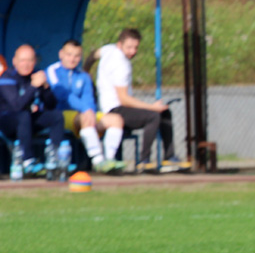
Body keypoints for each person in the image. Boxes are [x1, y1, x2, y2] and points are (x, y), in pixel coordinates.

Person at [95, 28, 188, 173]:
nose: (133, 51)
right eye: (129, 47)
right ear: (120, 45)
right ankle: (144, 161)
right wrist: (152, 107)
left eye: (136, 47)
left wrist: (86, 70)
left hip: (119, 107)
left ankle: (169, 157)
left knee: (164, 113)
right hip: (115, 111)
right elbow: (124, 100)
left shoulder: (109, 49)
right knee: (153, 116)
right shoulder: (121, 64)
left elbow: (93, 55)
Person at [46, 39, 124, 173]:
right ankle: (98, 161)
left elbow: (89, 98)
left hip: (84, 114)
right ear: (61, 54)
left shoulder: (83, 76)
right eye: (69, 55)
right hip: (60, 115)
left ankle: (110, 159)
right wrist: (86, 111)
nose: (72, 59)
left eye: (77, 56)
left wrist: (90, 111)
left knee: (116, 119)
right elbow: (62, 95)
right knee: (85, 118)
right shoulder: (52, 71)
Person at [0, 44, 65, 175]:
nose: (26, 64)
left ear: (35, 61)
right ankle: (28, 160)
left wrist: (45, 87)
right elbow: (16, 106)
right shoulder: (7, 77)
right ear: (15, 61)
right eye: (22, 60)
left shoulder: (36, 75)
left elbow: (51, 105)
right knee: (23, 115)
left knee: (56, 116)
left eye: (30, 60)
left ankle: (54, 157)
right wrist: (33, 86)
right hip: (7, 122)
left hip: (27, 122)